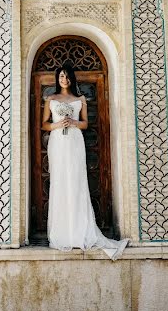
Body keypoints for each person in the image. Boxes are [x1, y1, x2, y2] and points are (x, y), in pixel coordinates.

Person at [41, 62, 128, 260]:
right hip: (58, 142)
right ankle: (62, 233)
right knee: (60, 182)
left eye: (67, 76)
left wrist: (72, 122)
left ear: (72, 78)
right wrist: (57, 124)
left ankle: (80, 230)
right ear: (58, 79)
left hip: (75, 142)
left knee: (76, 182)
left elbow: (85, 124)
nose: (64, 79)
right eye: (61, 76)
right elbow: (44, 124)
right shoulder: (51, 99)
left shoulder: (80, 99)